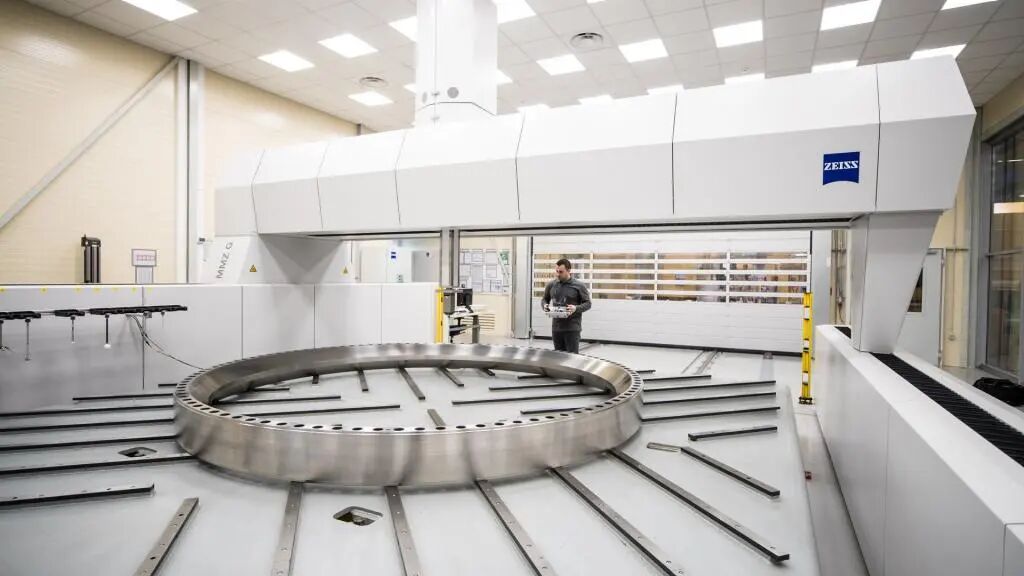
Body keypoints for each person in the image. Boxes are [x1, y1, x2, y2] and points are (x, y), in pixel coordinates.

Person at [541, 258, 592, 354]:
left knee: (572, 358)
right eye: (556, 271)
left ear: (569, 271)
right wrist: (545, 305)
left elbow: (588, 303)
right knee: (558, 357)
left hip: (572, 329)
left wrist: (576, 308)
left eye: (561, 272)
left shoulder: (579, 286)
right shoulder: (551, 285)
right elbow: (544, 299)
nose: (558, 274)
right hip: (556, 329)